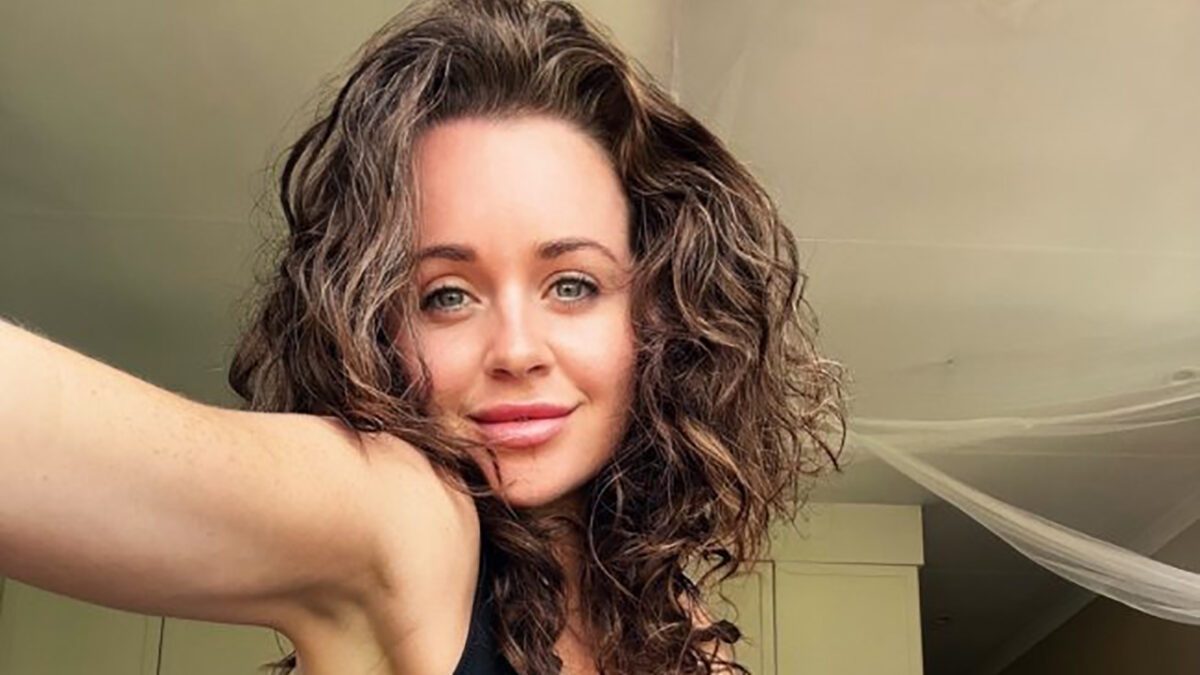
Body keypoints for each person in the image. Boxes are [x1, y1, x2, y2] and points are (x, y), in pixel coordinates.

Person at [0, 0, 849, 672]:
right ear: (377, 325)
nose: (516, 349)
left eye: (572, 284)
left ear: (658, 312)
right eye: (446, 295)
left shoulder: (681, 626)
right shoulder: (398, 521)